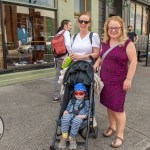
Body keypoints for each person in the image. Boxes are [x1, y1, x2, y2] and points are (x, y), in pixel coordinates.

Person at [93, 16, 137, 148]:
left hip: (119, 82)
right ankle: (112, 127)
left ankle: (120, 135)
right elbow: (101, 56)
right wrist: (96, 63)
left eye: (116, 28)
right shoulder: (105, 42)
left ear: (121, 28)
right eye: (111, 28)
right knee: (109, 105)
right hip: (105, 80)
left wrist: (128, 79)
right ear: (107, 29)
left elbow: (134, 61)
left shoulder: (127, 43)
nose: (113, 30)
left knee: (118, 108)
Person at [58, 82, 89, 149]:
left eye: (81, 93)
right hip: (70, 114)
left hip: (80, 116)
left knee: (76, 121)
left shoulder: (86, 102)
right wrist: (66, 110)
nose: (78, 95)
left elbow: (89, 112)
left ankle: (72, 138)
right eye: (76, 93)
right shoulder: (72, 100)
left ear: (85, 94)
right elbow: (68, 107)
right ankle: (64, 136)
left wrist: (84, 116)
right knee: (65, 118)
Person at [53, 19, 72, 102]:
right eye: (70, 25)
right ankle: (66, 97)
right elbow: (68, 44)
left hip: (57, 58)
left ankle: (56, 97)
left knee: (58, 78)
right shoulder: (66, 32)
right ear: (65, 26)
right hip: (65, 59)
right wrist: (72, 53)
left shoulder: (57, 34)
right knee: (67, 77)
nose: (71, 27)